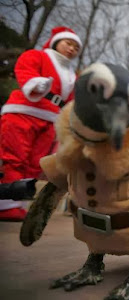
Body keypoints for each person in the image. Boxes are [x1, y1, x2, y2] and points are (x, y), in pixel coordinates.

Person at [0, 26, 82, 221]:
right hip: (24, 111)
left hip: (51, 119)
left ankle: (16, 202)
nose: (71, 49)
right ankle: (5, 204)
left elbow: (72, 100)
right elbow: (24, 70)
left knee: (35, 163)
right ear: (56, 42)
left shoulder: (72, 74)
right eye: (68, 44)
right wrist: (35, 83)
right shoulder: (37, 56)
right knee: (15, 156)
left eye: (75, 48)